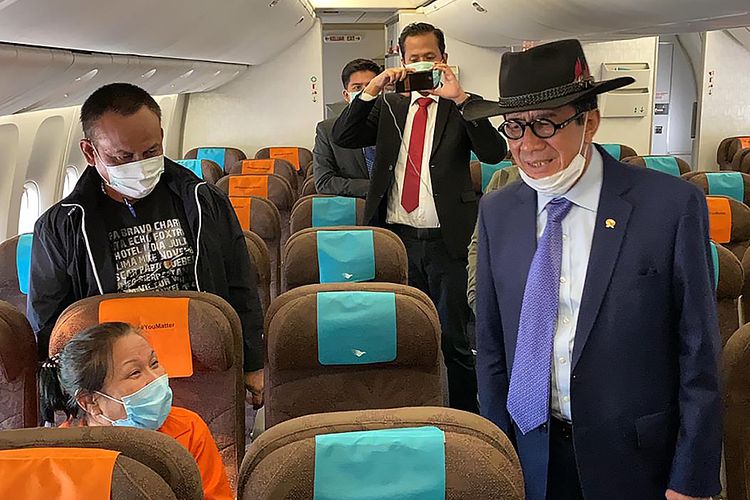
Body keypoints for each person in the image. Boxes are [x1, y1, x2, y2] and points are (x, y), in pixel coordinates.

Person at [468, 39, 721, 500]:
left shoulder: (669, 206)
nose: (528, 145)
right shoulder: (497, 211)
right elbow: (491, 343)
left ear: (590, 122)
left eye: (545, 124)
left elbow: (698, 349)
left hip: (637, 458)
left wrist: (693, 476)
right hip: (530, 452)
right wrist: (494, 450)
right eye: (515, 127)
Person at [26, 83, 264, 407]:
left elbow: (239, 284)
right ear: (88, 152)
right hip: (114, 387)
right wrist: (69, 399)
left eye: (151, 152)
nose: (139, 165)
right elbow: (52, 326)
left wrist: (252, 363)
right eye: (122, 157)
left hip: (202, 367)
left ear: (162, 137)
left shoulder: (203, 201)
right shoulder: (61, 226)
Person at [332, 22, 506, 413]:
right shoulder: (389, 105)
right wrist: (370, 91)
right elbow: (343, 136)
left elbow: (495, 152)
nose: (422, 64)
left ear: (443, 58)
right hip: (395, 240)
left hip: (447, 241)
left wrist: (461, 100)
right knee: (397, 333)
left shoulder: (463, 104)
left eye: (430, 57)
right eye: (414, 59)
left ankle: (464, 417)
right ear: (401, 60)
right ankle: (406, 409)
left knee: (455, 340)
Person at [39, 322, 233, 500]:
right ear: (90, 402)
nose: (156, 378)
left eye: (154, 363)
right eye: (135, 373)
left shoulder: (188, 428)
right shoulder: (61, 453)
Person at [314, 58, 381, 197]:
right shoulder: (327, 130)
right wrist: (379, 187)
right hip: (357, 206)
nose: (366, 92)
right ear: (346, 95)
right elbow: (324, 182)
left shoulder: (396, 122)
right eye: (357, 88)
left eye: (371, 86)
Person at [466, 165, 520, 313]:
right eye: (516, 139)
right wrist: (477, 295)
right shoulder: (503, 179)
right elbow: (479, 245)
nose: (529, 145)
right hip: (504, 301)